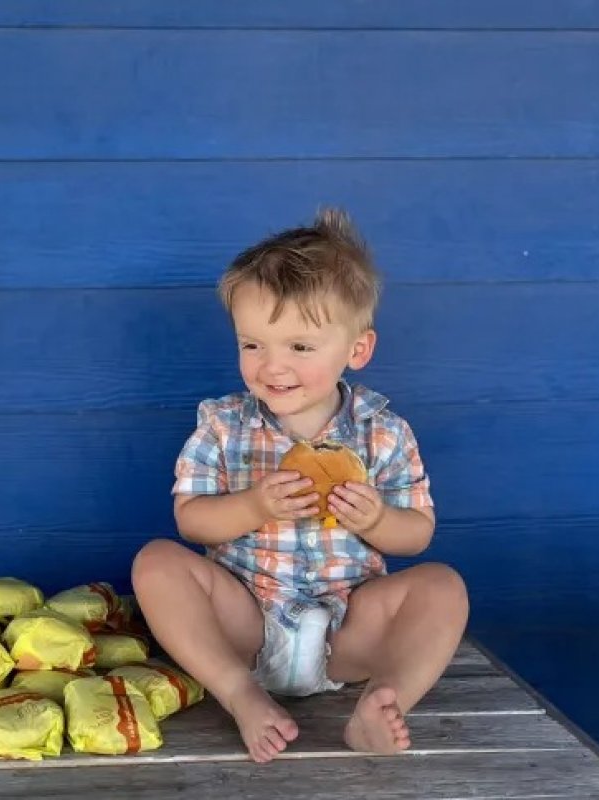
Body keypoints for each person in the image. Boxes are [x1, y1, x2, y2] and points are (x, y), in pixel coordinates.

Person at [131, 208, 469, 762]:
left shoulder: (382, 432)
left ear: (356, 350)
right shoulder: (222, 425)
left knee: (443, 588)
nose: (272, 366)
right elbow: (190, 520)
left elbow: (418, 535)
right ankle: (240, 694)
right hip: (245, 621)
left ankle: (384, 703)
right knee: (156, 563)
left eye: (300, 347)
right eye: (253, 344)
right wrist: (254, 505)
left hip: (348, 629)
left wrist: (378, 521)